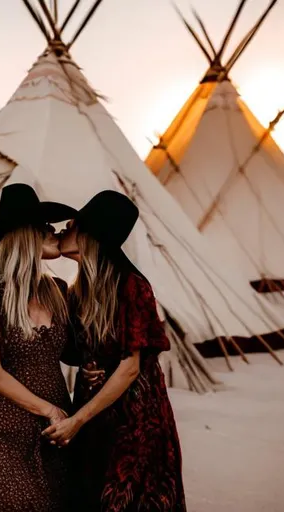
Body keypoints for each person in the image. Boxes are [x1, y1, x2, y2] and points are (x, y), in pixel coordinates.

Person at [43, 190, 187, 511]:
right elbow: (73, 353)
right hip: (94, 416)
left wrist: (77, 420)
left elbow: (130, 367)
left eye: (72, 225)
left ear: (91, 235)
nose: (63, 230)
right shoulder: (77, 289)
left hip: (134, 422)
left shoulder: (131, 286)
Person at [0, 183, 76, 512]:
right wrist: (47, 409)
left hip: (56, 432)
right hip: (4, 430)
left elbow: (66, 353)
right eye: (45, 227)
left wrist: (93, 369)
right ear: (27, 235)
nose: (55, 232)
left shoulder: (60, 291)